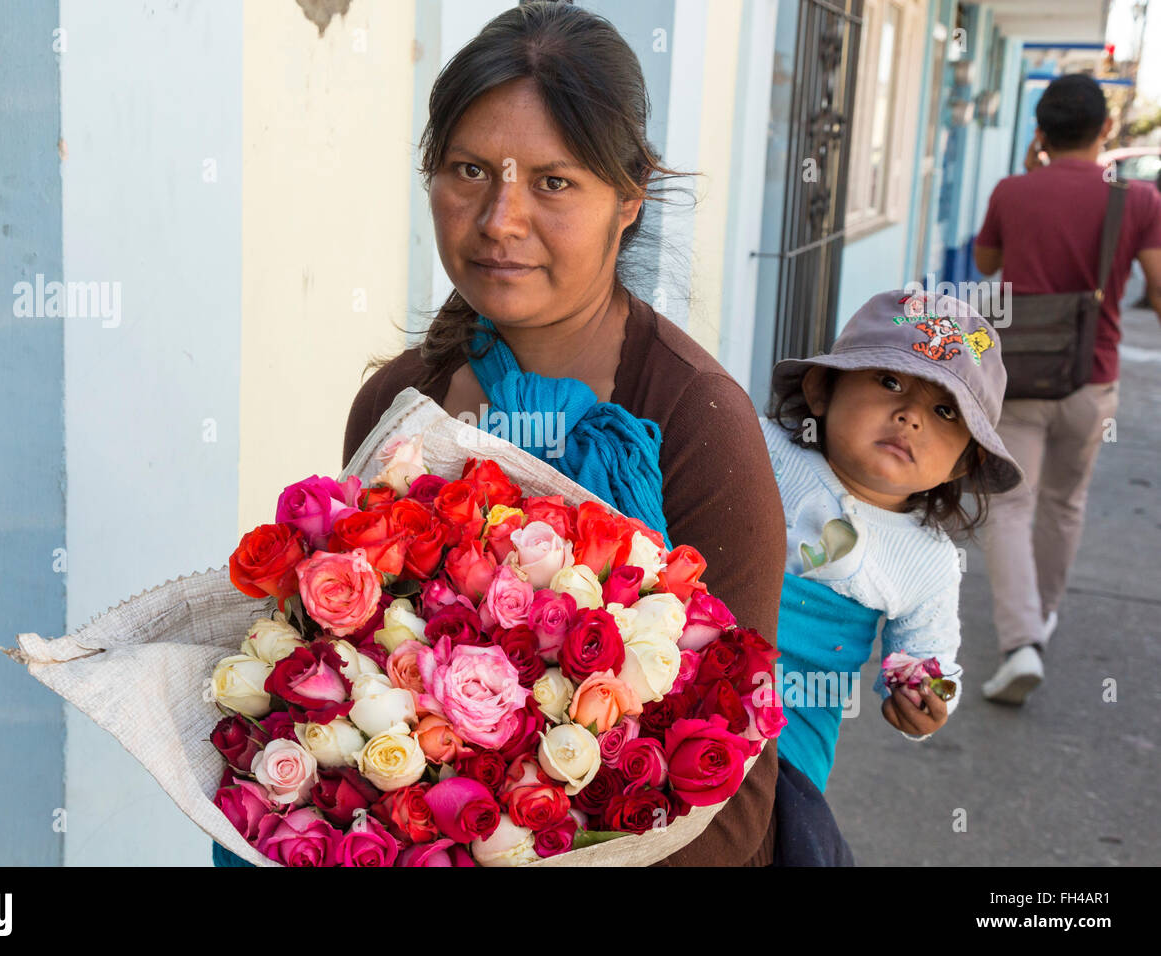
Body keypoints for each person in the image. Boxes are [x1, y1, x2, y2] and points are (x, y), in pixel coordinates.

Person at [341, 1, 790, 865]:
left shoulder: (696, 424)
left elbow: (734, 796)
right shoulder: (399, 410)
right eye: (470, 170)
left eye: (553, 182)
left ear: (628, 199)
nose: (501, 219)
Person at [762, 290, 1024, 795]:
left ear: (964, 462)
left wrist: (926, 700)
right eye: (889, 381)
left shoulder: (929, 562)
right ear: (823, 389)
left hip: (787, 750)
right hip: (672, 682)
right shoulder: (758, 446)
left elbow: (933, 663)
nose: (911, 417)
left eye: (946, 412)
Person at [972, 74, 1161, 703]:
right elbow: (1157, 287)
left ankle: (1021, 638)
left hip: (1019, 376)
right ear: (1106, 129)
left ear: (1042, 132)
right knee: (1064, 504)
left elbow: (986, 265)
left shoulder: (1013, 191)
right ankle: (1040, 619)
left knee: (1011, 504)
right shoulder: (1135, 202)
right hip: (1092, 378)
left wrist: (1029, 171)